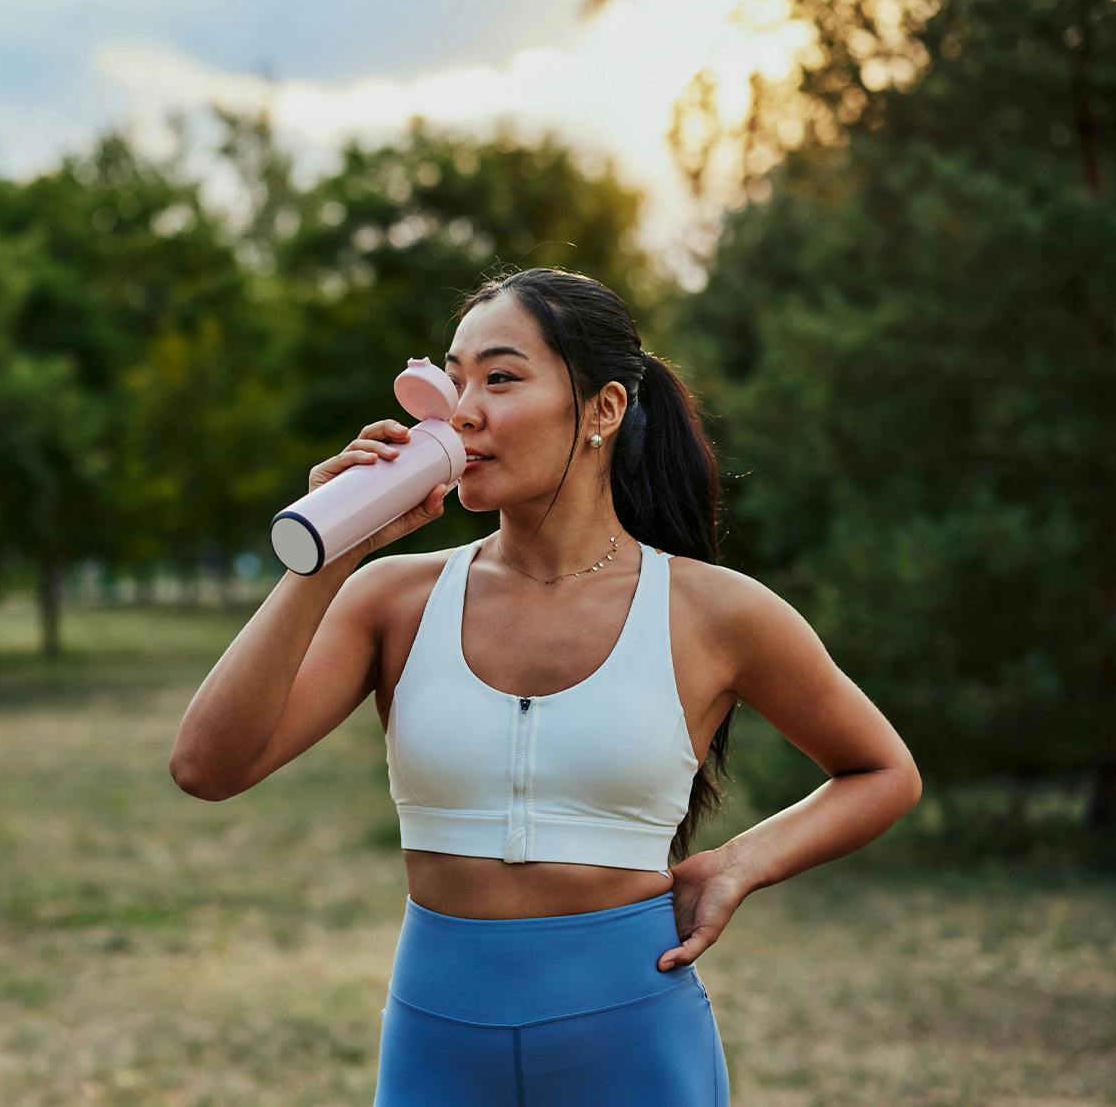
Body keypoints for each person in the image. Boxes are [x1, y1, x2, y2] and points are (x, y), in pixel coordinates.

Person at [170, 265, 922, 1106]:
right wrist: (328, 556)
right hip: (435, 1045)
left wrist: (740, 862)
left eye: (500, 377)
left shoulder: (715, 611)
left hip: (634, 1039)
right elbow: (207, 766)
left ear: (603, 410)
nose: (460, 411)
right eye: (452, 381)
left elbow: (882, 771)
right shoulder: (392, 599)